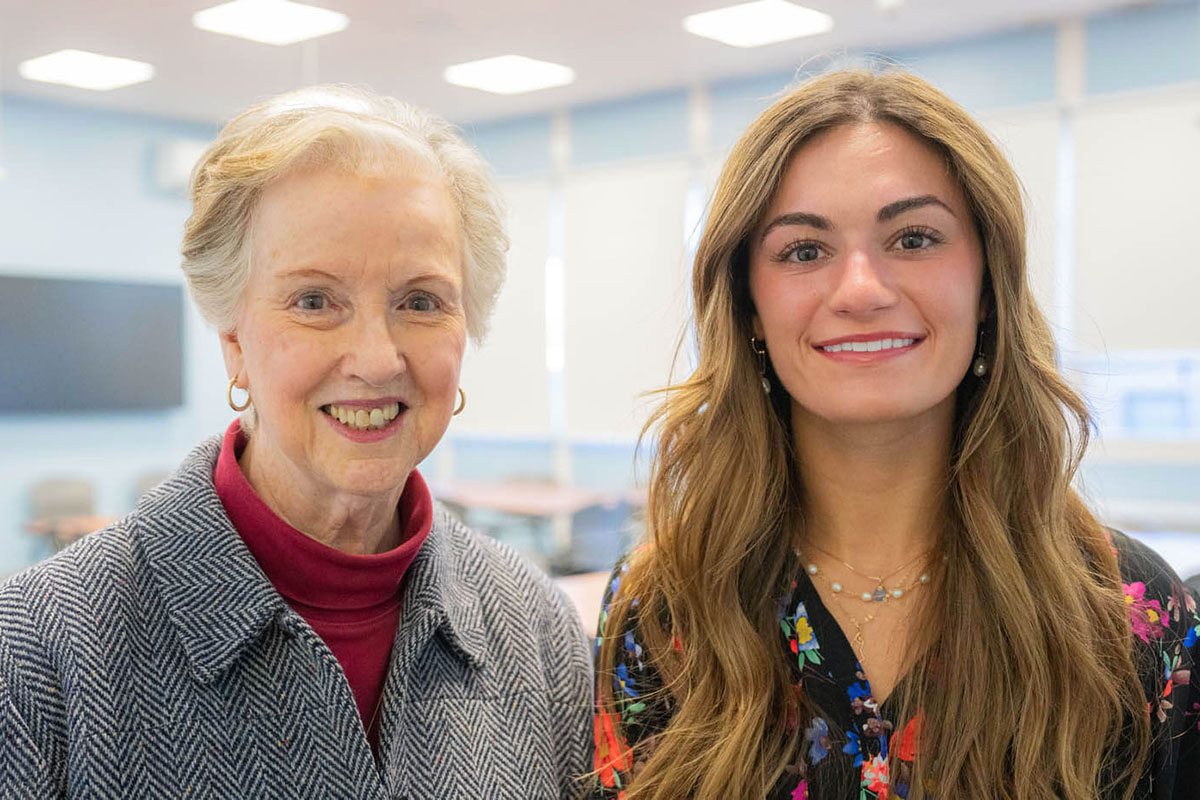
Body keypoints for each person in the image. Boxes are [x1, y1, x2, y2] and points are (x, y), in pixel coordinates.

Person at [590, 69, 1200, 800]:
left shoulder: (1129, 613)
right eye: (804, 251)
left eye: (913, 238)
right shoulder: (664, 610)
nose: (861, 290)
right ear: (749, 308)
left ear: (987, 287)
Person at [0, 86, 592, 799]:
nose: (376, 358)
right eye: (315, 301)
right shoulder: (38, 653)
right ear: (233, 341)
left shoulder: (538, 628)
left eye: (420, 301)